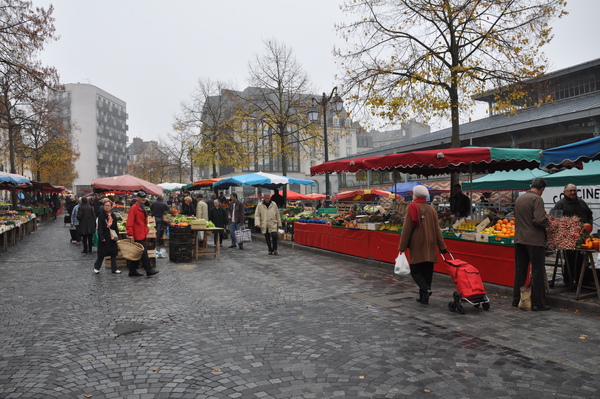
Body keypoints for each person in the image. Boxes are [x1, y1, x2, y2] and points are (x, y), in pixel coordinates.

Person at [398, 185, 448, 305]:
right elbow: (437, 230)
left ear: (415, 195)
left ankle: (426, 290)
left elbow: (407, 229)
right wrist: (442, 247)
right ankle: (424, 297)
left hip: (418, 243)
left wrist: (402, 247)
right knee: (427, 272)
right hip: (430, 244)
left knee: (415, 270)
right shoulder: (431, 209)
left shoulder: (412, 207)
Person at [513, 177, 550, 311]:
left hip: (519, 239)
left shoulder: (520, 198)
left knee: (520, 270)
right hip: (534, 240)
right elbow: (539, 220)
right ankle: (537, 303)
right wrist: (548, 221)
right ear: (542, 189)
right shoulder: (537, 199)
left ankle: (516, 299)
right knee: (537, 271)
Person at [552, 183, 594, 286]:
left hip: (582, 237)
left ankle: (582, 280)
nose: (573, 192)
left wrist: (589, 227)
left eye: (574, 190)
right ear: (564, 192)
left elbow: (589, 215)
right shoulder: (560, 204)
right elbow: (554, 220)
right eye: (570, 190)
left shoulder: (581, 202)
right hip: (568, 237)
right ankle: (569, 280)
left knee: (582, 259)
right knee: (569, 259)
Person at [126, 190, 159, 277]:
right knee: (143, 252)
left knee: (136, 253)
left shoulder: (143, 207)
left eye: (144, 197)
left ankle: (132, 271)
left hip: (141, 232)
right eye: (141, 197)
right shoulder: (134, 208)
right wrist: (130, 234)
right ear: (137, 198)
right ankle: (148, 269)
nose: (143, 199)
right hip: (137, 234)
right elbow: (129, 222)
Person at [93, 200, 121, 274]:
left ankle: (114, 268)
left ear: (111, 207)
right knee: (101, 254)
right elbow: (100, 228)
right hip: (104, 236)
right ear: (104, 206)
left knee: (113, 253)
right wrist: (101, 237)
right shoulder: (101, 216)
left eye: (108, 205)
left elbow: (115, 227)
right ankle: (96, 267)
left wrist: (117, 235)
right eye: (106, 205)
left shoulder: (113, 216)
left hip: (112, 237)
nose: (107, 207)